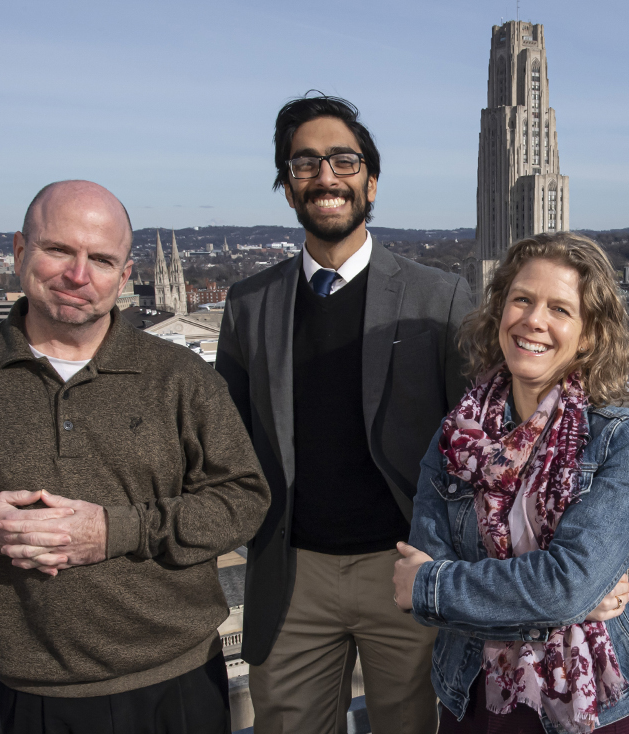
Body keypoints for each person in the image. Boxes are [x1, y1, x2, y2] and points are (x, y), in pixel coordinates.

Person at [0, 180, 270, 734]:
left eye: (101, 259)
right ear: (21, 252)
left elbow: (243, 500)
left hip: (179, 678)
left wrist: (114, 530)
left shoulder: (182, 377)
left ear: (124, 278)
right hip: (39, 692)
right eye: (59, 250)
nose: (79, 275)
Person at [216, 94, 472, 734]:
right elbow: (227, 440)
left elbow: (477, 441)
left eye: (343, 160)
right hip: (291, 573)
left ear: (371, 182)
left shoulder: (437, 297)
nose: (326, 177)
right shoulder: (249, 304)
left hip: (406, 570)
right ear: (288, 187)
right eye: (306, 163)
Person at [393, 232, 629, 734]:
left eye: (560, 309)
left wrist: (442, 588)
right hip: (473, 694)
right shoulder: (458, 435)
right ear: (499, 311)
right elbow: (422, 575)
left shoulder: (620, 440)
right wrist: (567, 604)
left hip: (593, 705)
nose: (534, 320)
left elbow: (563, 585)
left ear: (588, 334)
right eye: (521, 299)